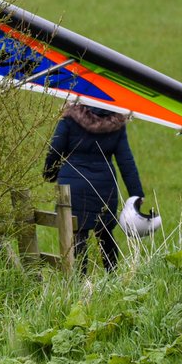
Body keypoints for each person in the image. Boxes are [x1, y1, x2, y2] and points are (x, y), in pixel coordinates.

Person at [43, 102, 144, 272]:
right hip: (104, 186)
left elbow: (55, 149)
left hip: (73, 185)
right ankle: (112, 276)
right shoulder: (117, 122)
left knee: (78, 234)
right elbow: (126, 161)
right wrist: (136, 194)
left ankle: (80, 280)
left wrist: (49, 173)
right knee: (105, 233)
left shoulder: (70, 118)